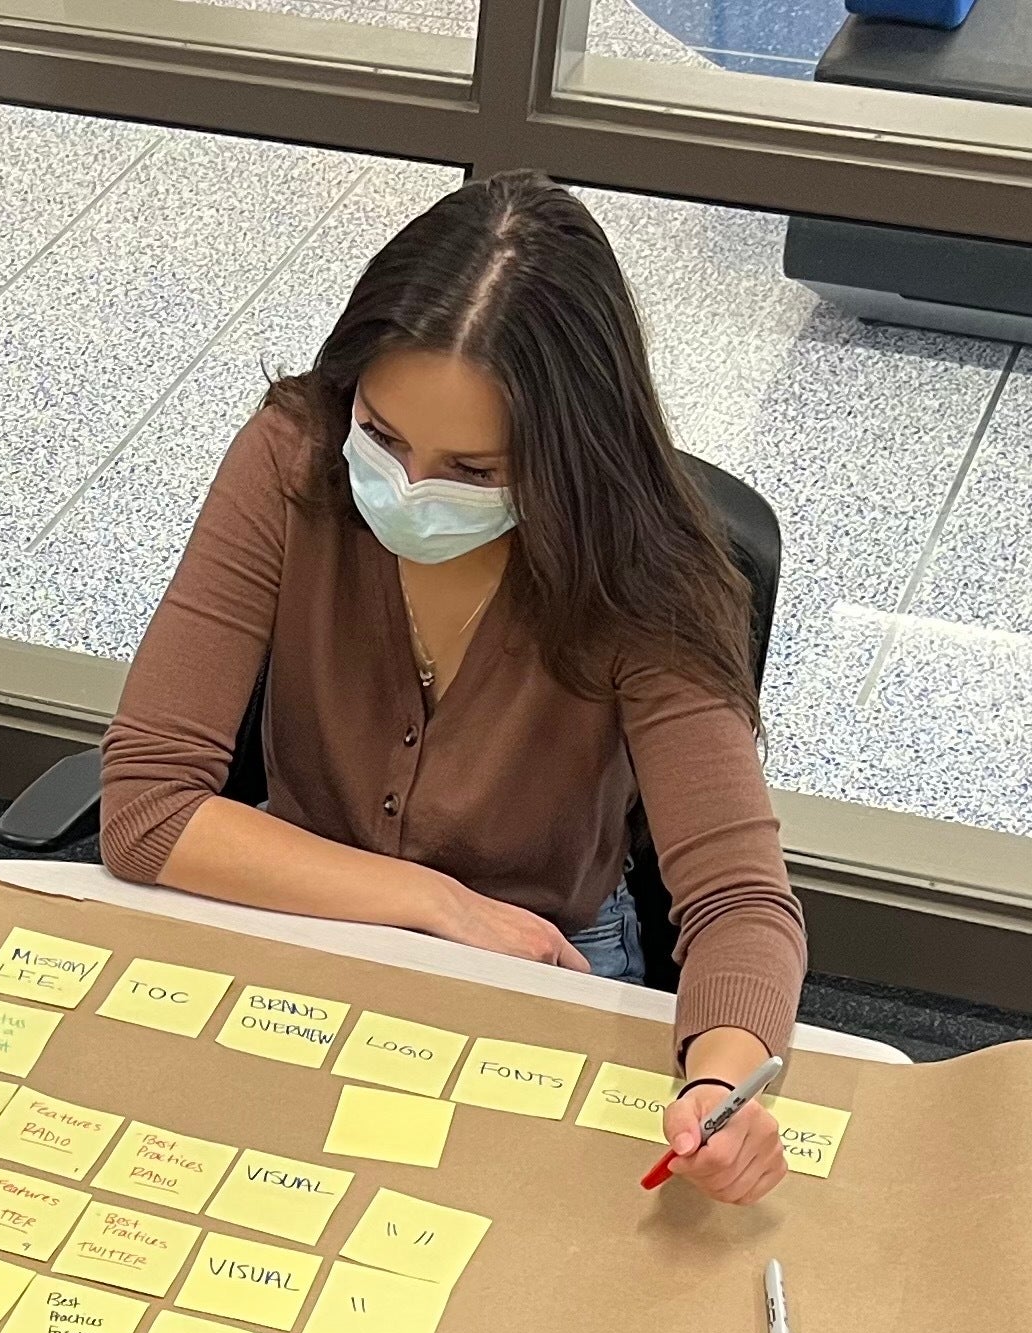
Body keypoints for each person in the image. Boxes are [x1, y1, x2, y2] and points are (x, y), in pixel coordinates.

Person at [100, 172, 806, 1211]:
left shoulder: (647, 574)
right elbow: (148, 807)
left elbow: (740, 899)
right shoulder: (293, 455)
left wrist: (720, 1082)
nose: (408, 489)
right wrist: (437, 906)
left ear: (568, 461)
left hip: (543, 956)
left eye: (473, 473)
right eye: (382, 438)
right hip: (298, 903)